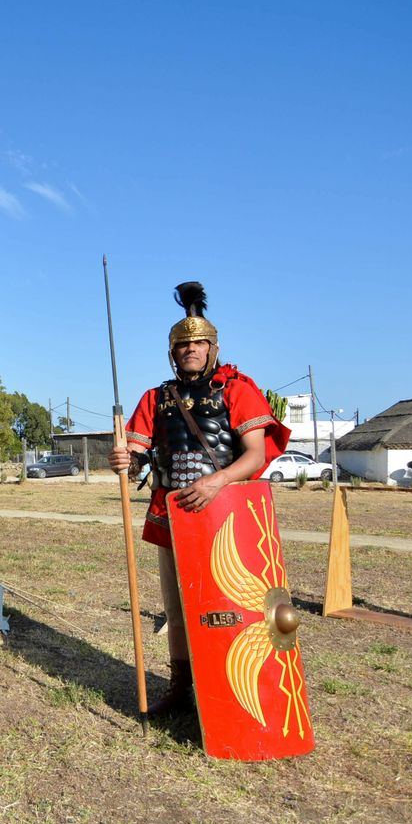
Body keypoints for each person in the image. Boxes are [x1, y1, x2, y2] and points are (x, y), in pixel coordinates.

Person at [109, 282, 289, 715]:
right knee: (176, 604)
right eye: (183, 344)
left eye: (198, 343)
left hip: (226, 513)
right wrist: (123, 461)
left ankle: (233, 688)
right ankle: (181, 687)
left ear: (212, 347)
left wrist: (215, 483)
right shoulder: (155, 398)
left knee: (231, 605)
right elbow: (136, 457)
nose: (191, 349)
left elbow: (256, 454)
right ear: (173, 353)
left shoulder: (236, 389)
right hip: (173, 514)